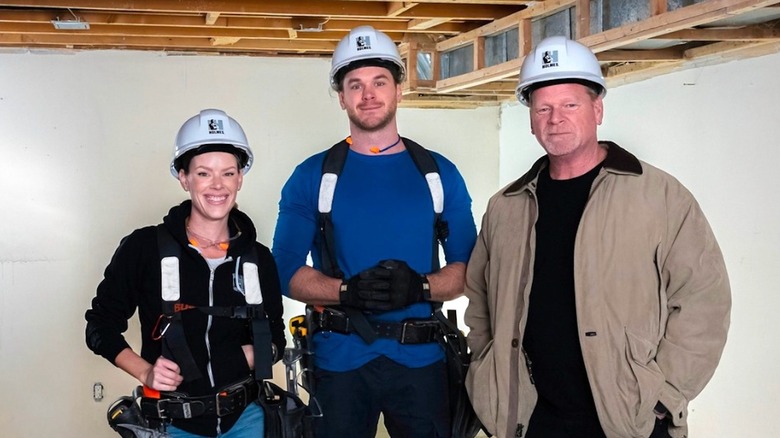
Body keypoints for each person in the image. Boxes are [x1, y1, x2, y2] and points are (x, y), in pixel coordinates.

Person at [463, 36, 731, 438]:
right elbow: (479, 298)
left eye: (570, 104)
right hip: (529, 419)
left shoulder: (658, 195)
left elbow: (703, 299)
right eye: (543, 108)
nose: (556, 119)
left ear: (597, 109)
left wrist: (665, 395)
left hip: (628, 420)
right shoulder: (506, 206)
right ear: (532, 118)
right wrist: (489, 377)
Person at [272, 25, 477, 438]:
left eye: (379, 81)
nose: (368, 94)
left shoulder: (439, 174)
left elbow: (470, 267)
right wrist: (347, 293)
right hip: (338, 363)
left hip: (422, 362)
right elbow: (283, 268)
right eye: (356, 84)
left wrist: (418, 288)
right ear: (342, 97)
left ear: (399, 89)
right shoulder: (313, 176)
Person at [85, 108, 286, 437]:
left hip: (246, 421)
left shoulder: (258, 257)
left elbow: (276, 336)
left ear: (240, 178)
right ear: (184, 177)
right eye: (204, 173)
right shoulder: (144, 248)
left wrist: (249, 357)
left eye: (228, 173)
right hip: (171, 424)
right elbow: (99, 326)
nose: (217, 185)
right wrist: (145, 372)